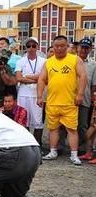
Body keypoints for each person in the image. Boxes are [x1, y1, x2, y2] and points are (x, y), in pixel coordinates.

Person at [38, 35, 87, 165]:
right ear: (53, 47)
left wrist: (80, 94)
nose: (59, 48)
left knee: (72, 129)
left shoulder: (75, 59)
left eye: (62, 46)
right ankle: (53, 151)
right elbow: (42, 79)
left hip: (69, 102)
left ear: (67, 46)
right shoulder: (48, 62)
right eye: (56, 46)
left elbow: (82, 76)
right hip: (52, 102)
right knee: (53, 129)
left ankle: (74, 154)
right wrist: (39, 96)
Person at [15, 37, 46, 145]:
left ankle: (38, 144)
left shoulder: (44, 61)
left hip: (37, 94)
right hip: (23, 94)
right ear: (26, 47)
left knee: (38, 121)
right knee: (23, 120)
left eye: (33, 46)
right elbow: (18, 78)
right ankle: (26, 144)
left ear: (37, 47)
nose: (31, 48)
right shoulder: (20, 61)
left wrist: (27, 76)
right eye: (28, 46)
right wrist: (37, 78)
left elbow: (44, 77)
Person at [76, 38, 96, 154]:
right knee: (67, 124)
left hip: (86, 98)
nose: (84, 50)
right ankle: (65, 146)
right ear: (78, 47)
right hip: (69, 98)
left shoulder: (93, 64)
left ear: (90, 49)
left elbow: (94, 85)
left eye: (86, 48)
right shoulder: (71, 60)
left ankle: (84, 148)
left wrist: (93, 100)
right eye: (82, 47)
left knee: (83, 125)